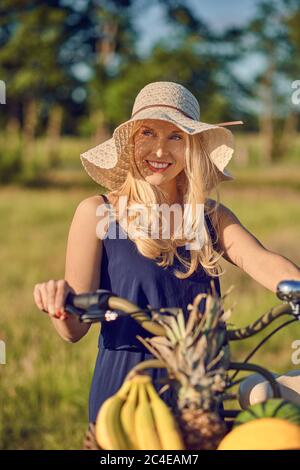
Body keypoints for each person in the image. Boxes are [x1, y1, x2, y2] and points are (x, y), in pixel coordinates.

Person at [33, 81, 300, 434]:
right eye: (148, 133)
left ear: (192, 148)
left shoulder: (211, 217)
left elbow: (262, 261)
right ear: (130, 143)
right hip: (127, 395)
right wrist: (60, 306)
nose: (160, 149)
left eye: (176, 136)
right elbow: (73, 329)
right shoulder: (97, 213)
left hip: (200, 398)